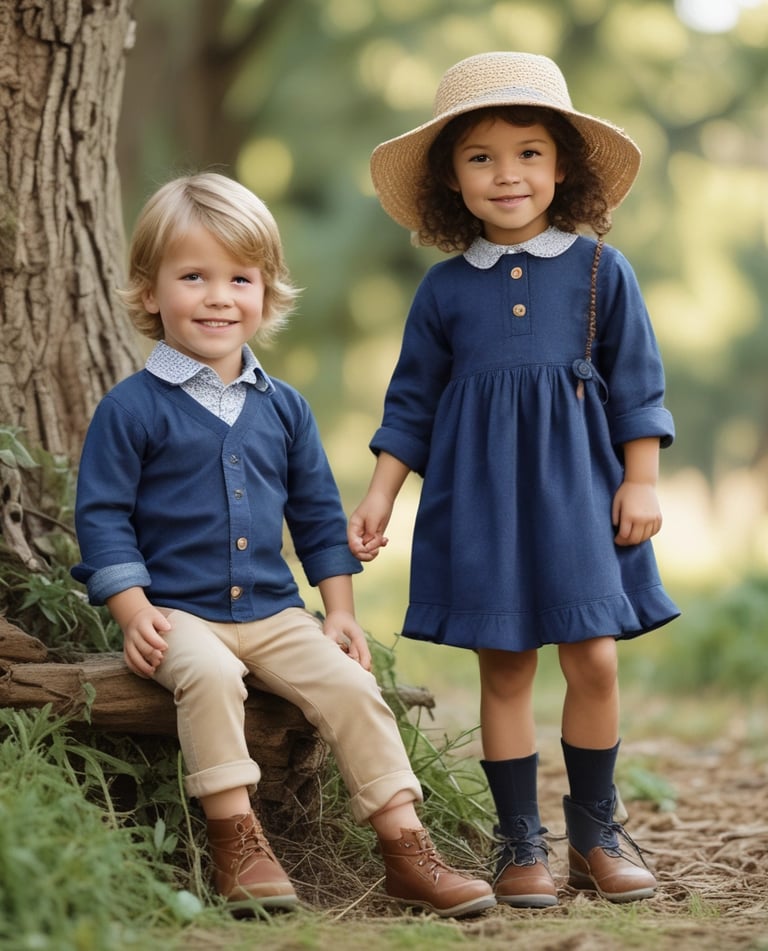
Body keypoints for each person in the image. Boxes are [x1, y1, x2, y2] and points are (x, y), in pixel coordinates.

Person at [71, 172, 495, 918]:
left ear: (266, 293)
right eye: (192, 276)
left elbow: (316, 515)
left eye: (240, 278)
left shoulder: (285, 407)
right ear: (148, 292)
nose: (217, 296)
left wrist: (338, 612)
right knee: (207, 676)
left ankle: (406, 847)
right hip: (179, 614)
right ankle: (238, 840)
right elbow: (103, 517)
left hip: (274, 610)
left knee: (353, 687)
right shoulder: (130, 408)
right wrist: (133, 611)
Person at [348, 52, 679, 908]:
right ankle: (519, 842)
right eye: (482, 157)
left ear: (561, 164)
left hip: (580, 494)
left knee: (594, 659)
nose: (508, 174)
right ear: (451, 180)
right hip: (482, 500)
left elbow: (638, 384)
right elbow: (411, 402)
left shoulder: (604, 271)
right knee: (505, 666)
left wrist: (640, 480)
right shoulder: (444, 289)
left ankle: (596, 833)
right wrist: (381, 495)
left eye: (529, 152)